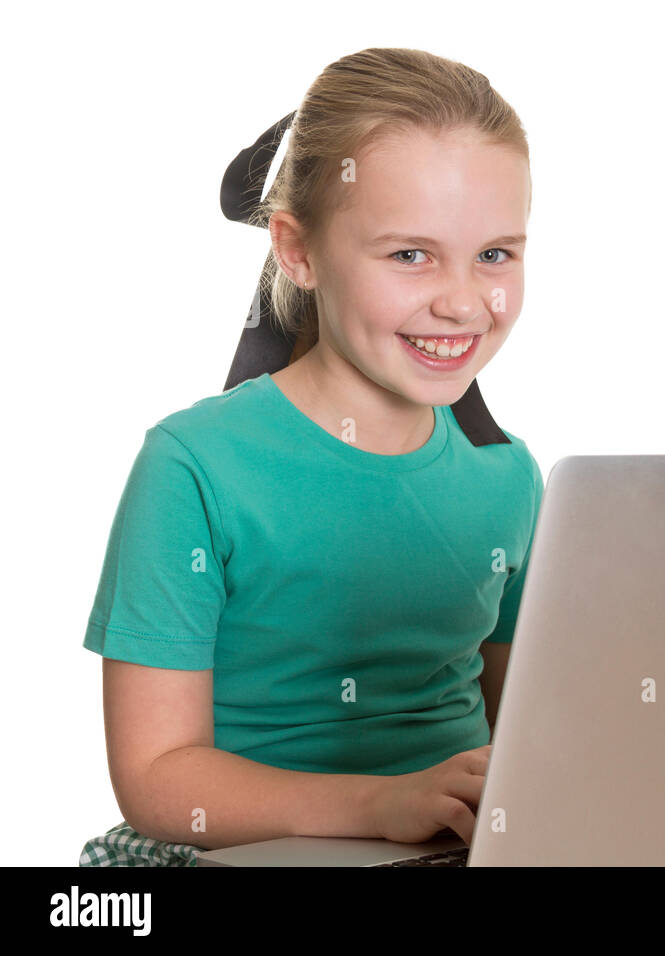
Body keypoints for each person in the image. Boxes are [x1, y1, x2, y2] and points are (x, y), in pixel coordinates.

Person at [78, 47, 541, 866]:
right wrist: (380, 802)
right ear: (296, 250)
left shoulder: (508, 476)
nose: (465, 301)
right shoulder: (195, 467)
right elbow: (155, 777)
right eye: (410, 254)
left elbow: (532, 732)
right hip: (259, 849)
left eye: (496, 254)